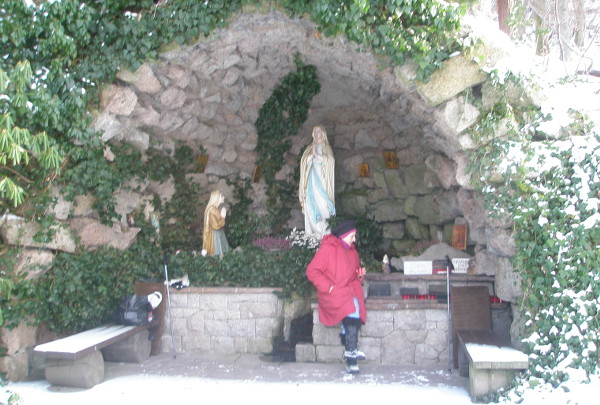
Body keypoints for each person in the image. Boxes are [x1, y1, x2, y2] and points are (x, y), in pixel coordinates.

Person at [305, 219, 367, 374]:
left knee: (354, 308)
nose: (354, 240)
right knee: (352, 308)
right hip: (331, 294)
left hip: (346, 291)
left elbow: (353, 275)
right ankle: (351, 354)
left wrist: (359, 277)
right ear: (344, 235)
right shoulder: (327, 249)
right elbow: (312, 271)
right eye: (352, 236)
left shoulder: (352, 252)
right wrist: (329, 287)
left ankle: (351, 356)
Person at [299, 125, 336, 240]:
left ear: (323, 133)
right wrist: (311, 157)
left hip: (322, 181)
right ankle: (313, 234)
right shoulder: (310, 148)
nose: (316, 133)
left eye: (318, 131)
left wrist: (318, 156)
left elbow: (330, 161)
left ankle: (325, 231)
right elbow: (304, 161)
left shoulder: (326, 147)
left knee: (323, 204)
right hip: (311, 181)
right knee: (311, 202)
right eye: (314, 131)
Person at [202, 190, 230, 256]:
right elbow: (215, 226)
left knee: (222, 252)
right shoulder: (212, 210)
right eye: (221, 196)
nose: (223, 197)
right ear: (217, 197)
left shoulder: (215, 209)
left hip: (218, 233)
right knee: (217, 252)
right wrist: (223, 217)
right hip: (214, 235)